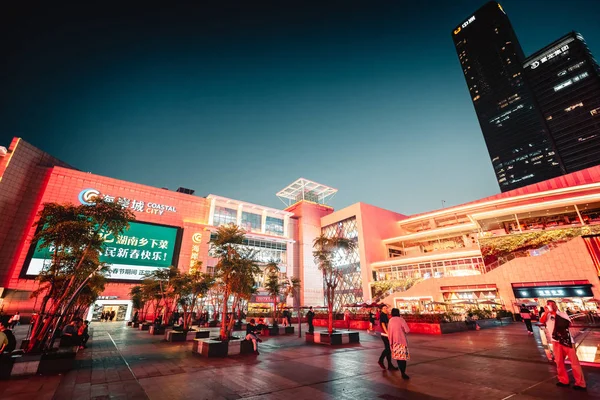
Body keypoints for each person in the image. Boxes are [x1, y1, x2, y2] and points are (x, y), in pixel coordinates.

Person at [540, 300, 586, 391]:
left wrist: (555, 313)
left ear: (555, 305)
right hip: (555, 341)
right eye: (548, 305)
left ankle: (580, 383)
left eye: (552, 304)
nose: (550, 306)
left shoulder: (562, 314)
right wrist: (547, 312)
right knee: (559, 362)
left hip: (567, 341)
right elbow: (542, 321)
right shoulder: (546, 315)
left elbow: (566, 324)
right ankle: (563, 380)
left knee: (574, 363)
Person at [388, 308, 410, 380]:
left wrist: (390, 342)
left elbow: (390, 332)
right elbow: (407, 330)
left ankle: (401, 371)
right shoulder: (401, 319)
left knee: (398, 358)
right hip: (402, 342)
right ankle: (403, 373)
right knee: (403, 358)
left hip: (394, 342)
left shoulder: (390, 321)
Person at [377, 305, 398, 371]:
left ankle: (390, 365)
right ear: (381, 309)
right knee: (388, 348)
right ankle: (381, 360)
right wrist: (387, 333)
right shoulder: (382, 315)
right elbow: (383, 324)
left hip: (386, 334)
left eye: (386, 308)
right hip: (385, 334)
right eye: (384, 308)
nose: (386, 309)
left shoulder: (385, 315)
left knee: (388, 349)